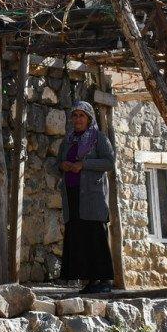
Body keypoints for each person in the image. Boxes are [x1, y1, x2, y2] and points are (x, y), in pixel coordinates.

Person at [58, 101, 116, 294]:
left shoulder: (98, 138)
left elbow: (109, 162)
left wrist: (85, 164)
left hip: (93, 196)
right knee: (79, 236)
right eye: (75, 115)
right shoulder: (68, 140)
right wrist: (63, 165)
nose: (77, 119)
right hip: (73, 195)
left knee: (95, 236)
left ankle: (105, 280)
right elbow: (56, 163)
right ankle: (90, 280)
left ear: (89, 118)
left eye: (82, 116)